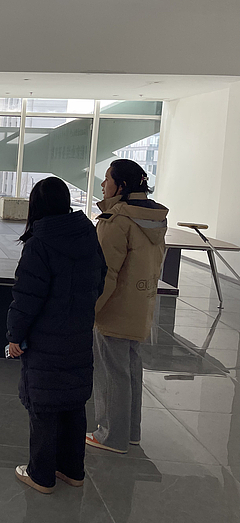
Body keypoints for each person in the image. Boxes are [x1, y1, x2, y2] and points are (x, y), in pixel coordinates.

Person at [7, 177, 107, 494]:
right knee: (73, 401)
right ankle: (72, 470)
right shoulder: (87, 234)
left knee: (44, 404)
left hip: (45, 337)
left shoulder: (39, 243)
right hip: (79, 331)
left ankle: (41, 475)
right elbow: (100, 277)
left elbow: (26, 298)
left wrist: (14, 335)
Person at [87, 159, 168, 454]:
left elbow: (105, 273)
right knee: (131, 370)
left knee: (112, 373)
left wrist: (91, 310)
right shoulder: (154, 218)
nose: (103, 184)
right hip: (141, 305)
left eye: (107, 179)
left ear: (120, 186)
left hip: (115, 307)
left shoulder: (117, 220)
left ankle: (111, 435)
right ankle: (131, 432)